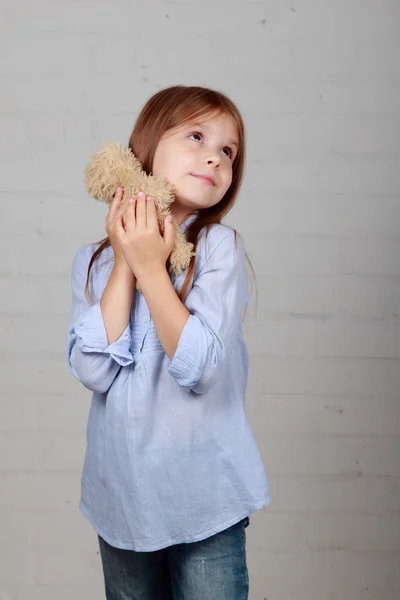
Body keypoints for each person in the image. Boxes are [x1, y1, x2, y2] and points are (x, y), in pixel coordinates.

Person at [66, 85, 271, 600]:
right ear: (148, 146)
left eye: (228, 151)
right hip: (123, 500)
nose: (215, 156)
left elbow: (200, 369)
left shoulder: (218, 248)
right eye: (197, 136)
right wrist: (126, 256)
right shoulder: (94, 263)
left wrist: (152, 268)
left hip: (205, 498)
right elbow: (93, 370)